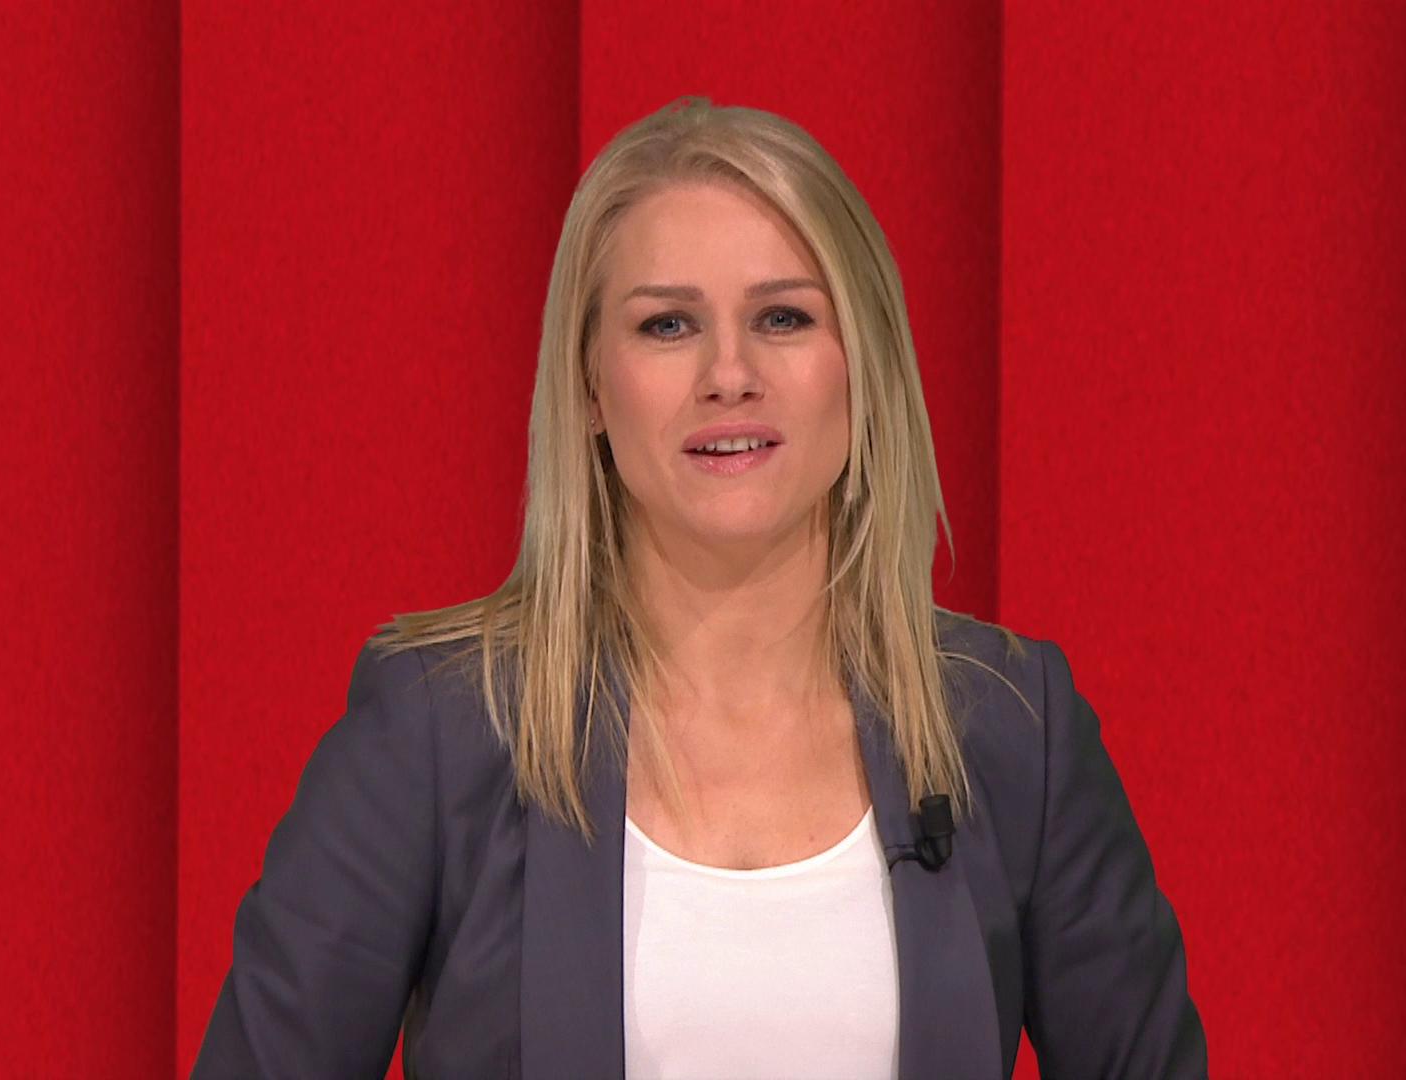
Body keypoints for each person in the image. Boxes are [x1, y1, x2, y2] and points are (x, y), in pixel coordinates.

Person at [192, 94, 1207, 1079]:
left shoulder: (1011, 728)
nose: (729, 372)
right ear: (591, 386)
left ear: (865, 369)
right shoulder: (439, 729)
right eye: (668, 326)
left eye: (783, 317)